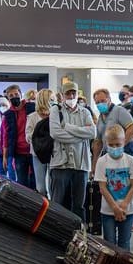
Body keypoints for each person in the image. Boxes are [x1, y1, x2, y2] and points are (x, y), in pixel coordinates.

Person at [49, 81, 96, 220]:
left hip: (80, 164)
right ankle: (56, 230)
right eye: (68, 93)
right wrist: (81, 136)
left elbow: (92, 133)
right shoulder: (55, 111)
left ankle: (80, 233)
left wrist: (68, 127)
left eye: (73, 93)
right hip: (60, 164)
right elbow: (56, 133)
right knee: (57, 202)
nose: (71, 96)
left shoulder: (85, 111)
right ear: (62, 95)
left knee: (79, 204)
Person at [94, 125, 133, 251]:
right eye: (111, 145)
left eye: (118, 145)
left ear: (124, 142)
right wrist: (115, 207)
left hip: (128, 210)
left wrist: (124, 204)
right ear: (106, 144)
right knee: (109, 244)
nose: (115, 148)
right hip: (108, 211)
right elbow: (102, 188)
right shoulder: (102, 161)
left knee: (124, 244)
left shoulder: (130, 160)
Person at [91, 88, 133, 174]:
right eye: (97, 102)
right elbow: (98, 142)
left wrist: (119, 147)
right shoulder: (100, 118)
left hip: (124, 151)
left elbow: (132, 129)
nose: (100, 104)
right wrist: (94, 163)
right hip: (108, 154)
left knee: (124, 182)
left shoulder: (119, 110)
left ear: (109, 99)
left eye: (103, 100)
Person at [4, 84, 35, 188]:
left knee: (36, 182)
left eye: (16, 94)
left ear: (21, 94)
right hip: (18, 153)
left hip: (34, 150)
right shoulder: (8, 114)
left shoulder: (32, 107)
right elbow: (6, 135)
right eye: (11, 96)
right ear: (8, 98)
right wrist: (6, 156)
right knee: (22, 183)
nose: (14, 97)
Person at [26, 89, 53, 197]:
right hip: (38, 154)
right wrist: (39, 135)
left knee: (52, 187)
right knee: (41, 188)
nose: (53, 102)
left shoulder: (56, 115)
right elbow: (27, 136)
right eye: (51, 99)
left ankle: (53, 211)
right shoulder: (32, 116)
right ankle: (44, 210)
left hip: (54, 154)